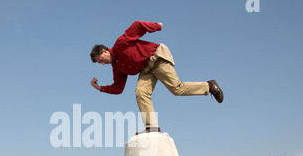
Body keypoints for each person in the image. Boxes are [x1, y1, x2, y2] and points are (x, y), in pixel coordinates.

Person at [90, 20, 223, 134]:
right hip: (146, 69)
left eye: (101, 59)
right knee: (141, 92)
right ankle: (152, 127)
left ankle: (209, 86)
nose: (102, 63)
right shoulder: (117, 68)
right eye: (99, 63)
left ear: (105, 51)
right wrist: (100, 88)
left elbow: (137, 26)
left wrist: (156, 26)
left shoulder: (120, 43)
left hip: (156, 57)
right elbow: (118, 88)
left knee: (177, 89)